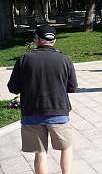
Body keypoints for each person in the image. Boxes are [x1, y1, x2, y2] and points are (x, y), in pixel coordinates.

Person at [8, 25, 78, 174]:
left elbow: (13, 87)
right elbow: (72, 87)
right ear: (54, 40)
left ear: (37, 39)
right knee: (66, 147)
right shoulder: (65, 59)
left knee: (40, 152)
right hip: (59, 112)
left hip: (31, 113)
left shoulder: (24, 58)